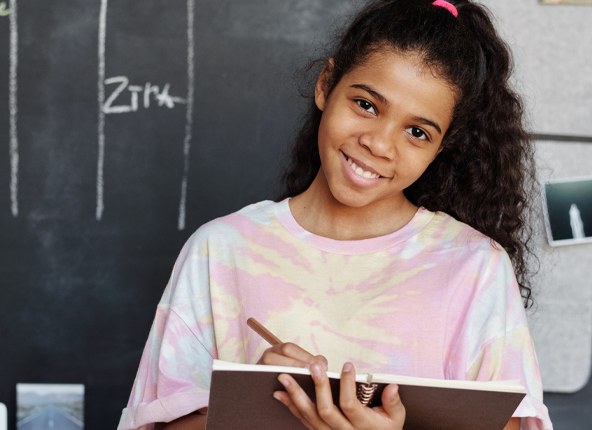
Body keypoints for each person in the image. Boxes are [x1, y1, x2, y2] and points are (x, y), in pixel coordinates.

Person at [118, 0, 553, 429]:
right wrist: (260, 405)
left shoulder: (474, 268)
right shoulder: (220, 251)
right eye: (366, 105)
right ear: (327, 84)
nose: (379, 144)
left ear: (443, 145)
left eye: (417, 132)